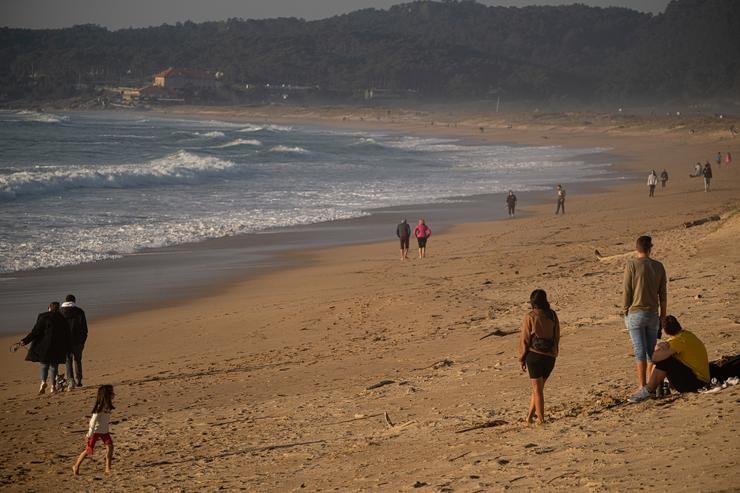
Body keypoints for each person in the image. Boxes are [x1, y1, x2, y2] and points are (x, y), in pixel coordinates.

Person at [623, 235, 667, 399]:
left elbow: (627, 290)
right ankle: (651, 385)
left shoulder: (632, 264)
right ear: (650, 248)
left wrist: (625, 311)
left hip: (636, 313)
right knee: (650, 352)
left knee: (639, 351)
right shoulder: (659, 266)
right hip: (653, 314)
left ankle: (642, 386)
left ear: (636, 249)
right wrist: (662, 315)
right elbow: (663, 295)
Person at [629, 316, 709, 402]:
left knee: (665, 361)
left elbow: (654, 358)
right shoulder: (686, 335)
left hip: (697, 383)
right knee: (665, 358)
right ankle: (655, 389)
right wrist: (659, 347)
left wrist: (658, 347)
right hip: (699, 378)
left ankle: (648, 390)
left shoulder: (679, 340)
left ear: (665, 331)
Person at [519, 289, 560, 425]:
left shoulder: (529, 316)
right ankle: (529, 417)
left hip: (535, 356)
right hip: (550, 357)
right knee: (538, 389)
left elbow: (524, 340)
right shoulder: (553, 315)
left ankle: (541, 419)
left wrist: (522, 358)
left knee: (537, 390)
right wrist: (554, 353)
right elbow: (557, 336)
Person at [18, 302, 71, 394]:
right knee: (54, 366)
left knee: (44, 365)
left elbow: (35, 332)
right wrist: (68, 348)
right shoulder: (62, 319)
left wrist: (25, 341)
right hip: (58, 346)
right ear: (58, 309)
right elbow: (67, 334)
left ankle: (43, 382)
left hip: (44, 346)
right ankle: (53, 386)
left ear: (49, 308)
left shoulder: (43, 317)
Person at [73, 384, 115, 475]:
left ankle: (108, 468)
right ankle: (76, 466)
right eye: (112, 392)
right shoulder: (99, 408)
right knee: (88, 450)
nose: (114, 394)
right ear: (107, 395)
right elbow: (92, 421)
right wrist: (89, 434)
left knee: (110, 447)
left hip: (104, 432)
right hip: (95, 432)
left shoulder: (107, 406)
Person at [62, 294, 88, 390]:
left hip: (65, 341)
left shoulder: (60, 312)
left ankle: (70, 380)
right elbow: (84, 328)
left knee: (68, 361)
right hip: (78, 341)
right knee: (77, 360)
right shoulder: (79, 311)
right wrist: (83, 340)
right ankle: (79, 380)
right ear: (74, 301)